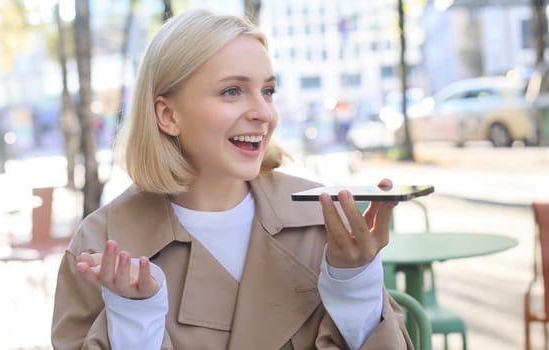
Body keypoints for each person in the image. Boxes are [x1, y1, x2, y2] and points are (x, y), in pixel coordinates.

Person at [52, 9, 412, 350]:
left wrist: (354, 284)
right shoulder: (101, 246)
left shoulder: (323, 221)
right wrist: (134, 319)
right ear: (168, 115)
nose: (264, 113)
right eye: (232, 91)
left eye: (268, 91)